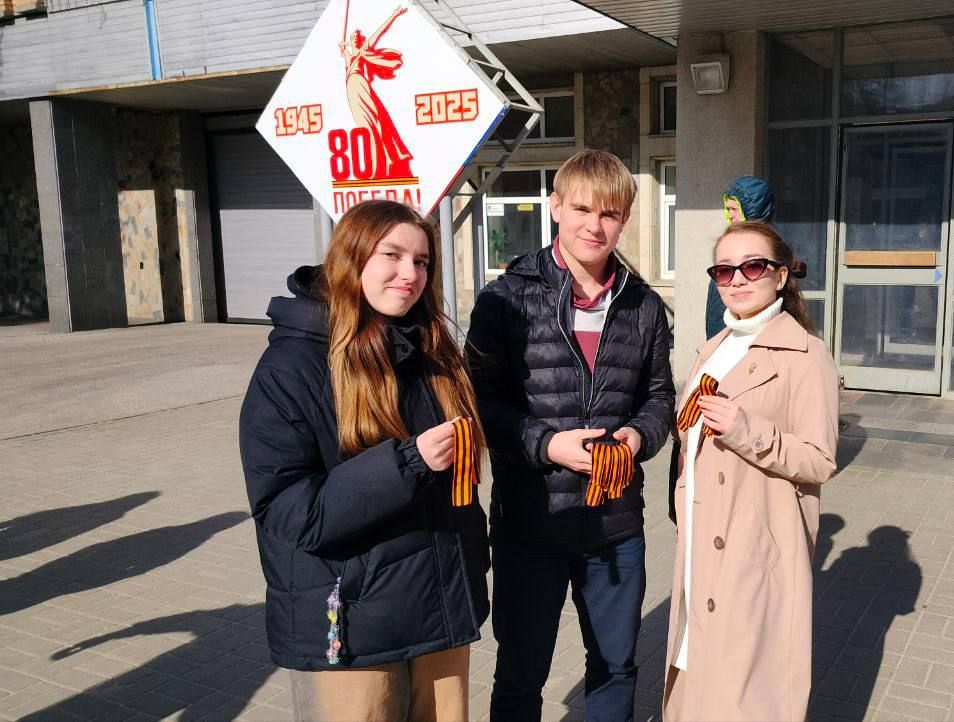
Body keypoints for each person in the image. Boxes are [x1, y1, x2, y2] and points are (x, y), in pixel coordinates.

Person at [240, 200, 489, 721]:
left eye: (422, 261)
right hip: (355, 625)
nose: (410, 274)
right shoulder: (291, 366)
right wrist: (408, 462)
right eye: (391, 255)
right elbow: (288, 512)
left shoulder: (431, 348)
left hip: (439, 611)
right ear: (351, 258)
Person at [466, 149, 675, 722]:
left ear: (624, 219)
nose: (594, 226)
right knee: (520, 672)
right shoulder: (505, 298)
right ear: (555, 206)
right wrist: (547, 444)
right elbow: (479, 400)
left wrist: (637, 439)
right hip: (531, 522)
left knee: (615, 666)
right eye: (582, 209)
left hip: (614, 524)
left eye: (609, 214)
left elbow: (660, 398)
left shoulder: (644, 306)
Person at [664, 220, 839, 722]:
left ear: (780, 275)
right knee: (697, 670)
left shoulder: (807, 355)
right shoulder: (715, 346)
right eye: (724, 270)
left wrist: (745, 428)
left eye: (752, 266)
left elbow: (820, 459)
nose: (737, 278)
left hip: (754, 546)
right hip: (702, 537)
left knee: (743, 689)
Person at [341, 6, 414, 180]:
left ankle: (384, 162)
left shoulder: (364, 50)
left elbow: (380, 32)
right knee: (363, 126)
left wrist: (393, 15)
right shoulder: (349, 57)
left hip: (361, 87)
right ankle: (375, 164)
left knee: (374, 123)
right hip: (352, 92)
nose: (355, 39)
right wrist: (342, 48)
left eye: (358, 37)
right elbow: (344, 54)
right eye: (353, 37)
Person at [706, 176, 776, 338]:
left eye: (734, 209)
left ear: (751, 209)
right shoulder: (734, 242)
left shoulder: (766, 248)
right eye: (728, 209)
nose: (730, 215)